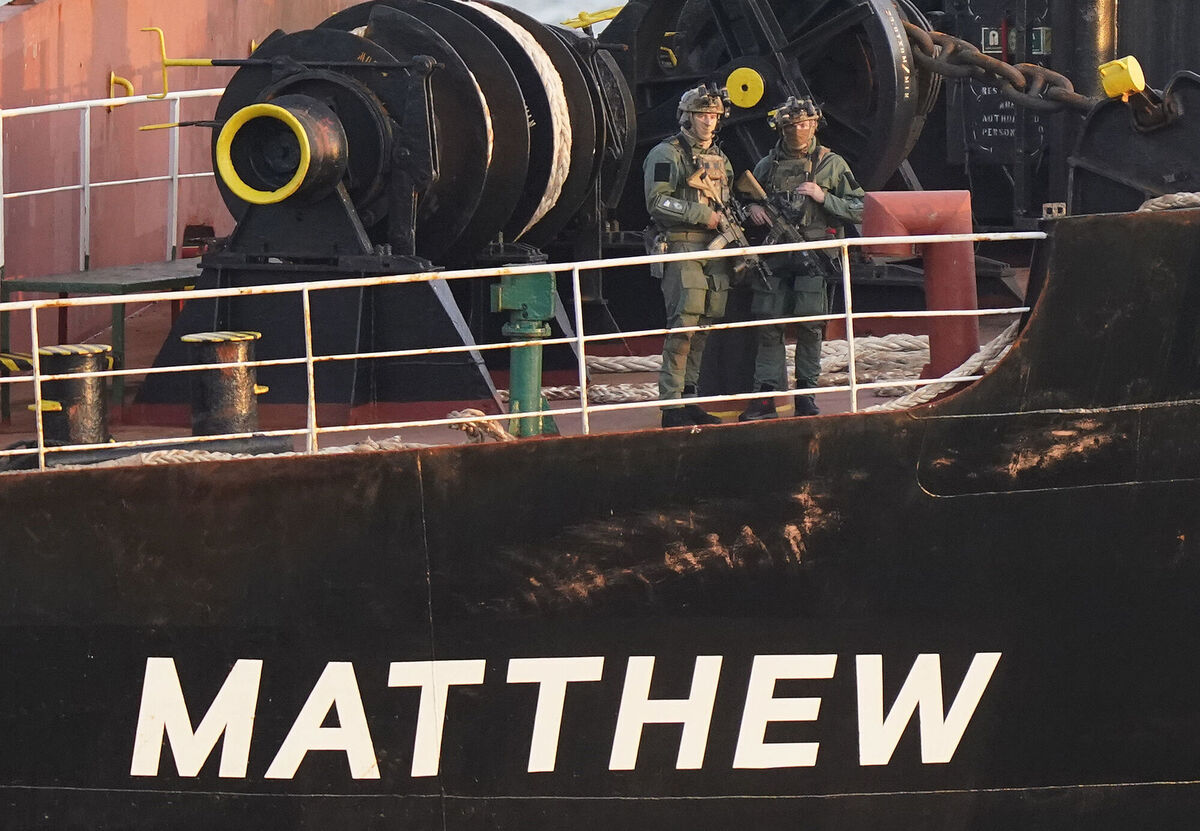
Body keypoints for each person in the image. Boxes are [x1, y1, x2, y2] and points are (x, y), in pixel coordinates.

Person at [739, 96, 864, 420]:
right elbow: (742, 199)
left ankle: (806, 394)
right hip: (776, 255)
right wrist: (753, 208)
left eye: (805, 124)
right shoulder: (767, 165)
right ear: (781, 129)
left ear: (815, 125)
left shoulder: (831, 164)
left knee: (810, 326)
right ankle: (766, 396)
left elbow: (861, 207)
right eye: (792, 125)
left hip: (814, 255)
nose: (799, 130)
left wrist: (824, 198)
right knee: (769, 325)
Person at [643, 84, 736, 428]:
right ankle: (671, 405)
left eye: (713, 116)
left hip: (715, 248)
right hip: (683, 244)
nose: (708, 122)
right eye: (701, 115)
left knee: (705, 325)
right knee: (683, 325)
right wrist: (702, 215)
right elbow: (657, 201)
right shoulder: (666, 154)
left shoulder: (720, 158)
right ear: (687, 117)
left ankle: (690, 397)